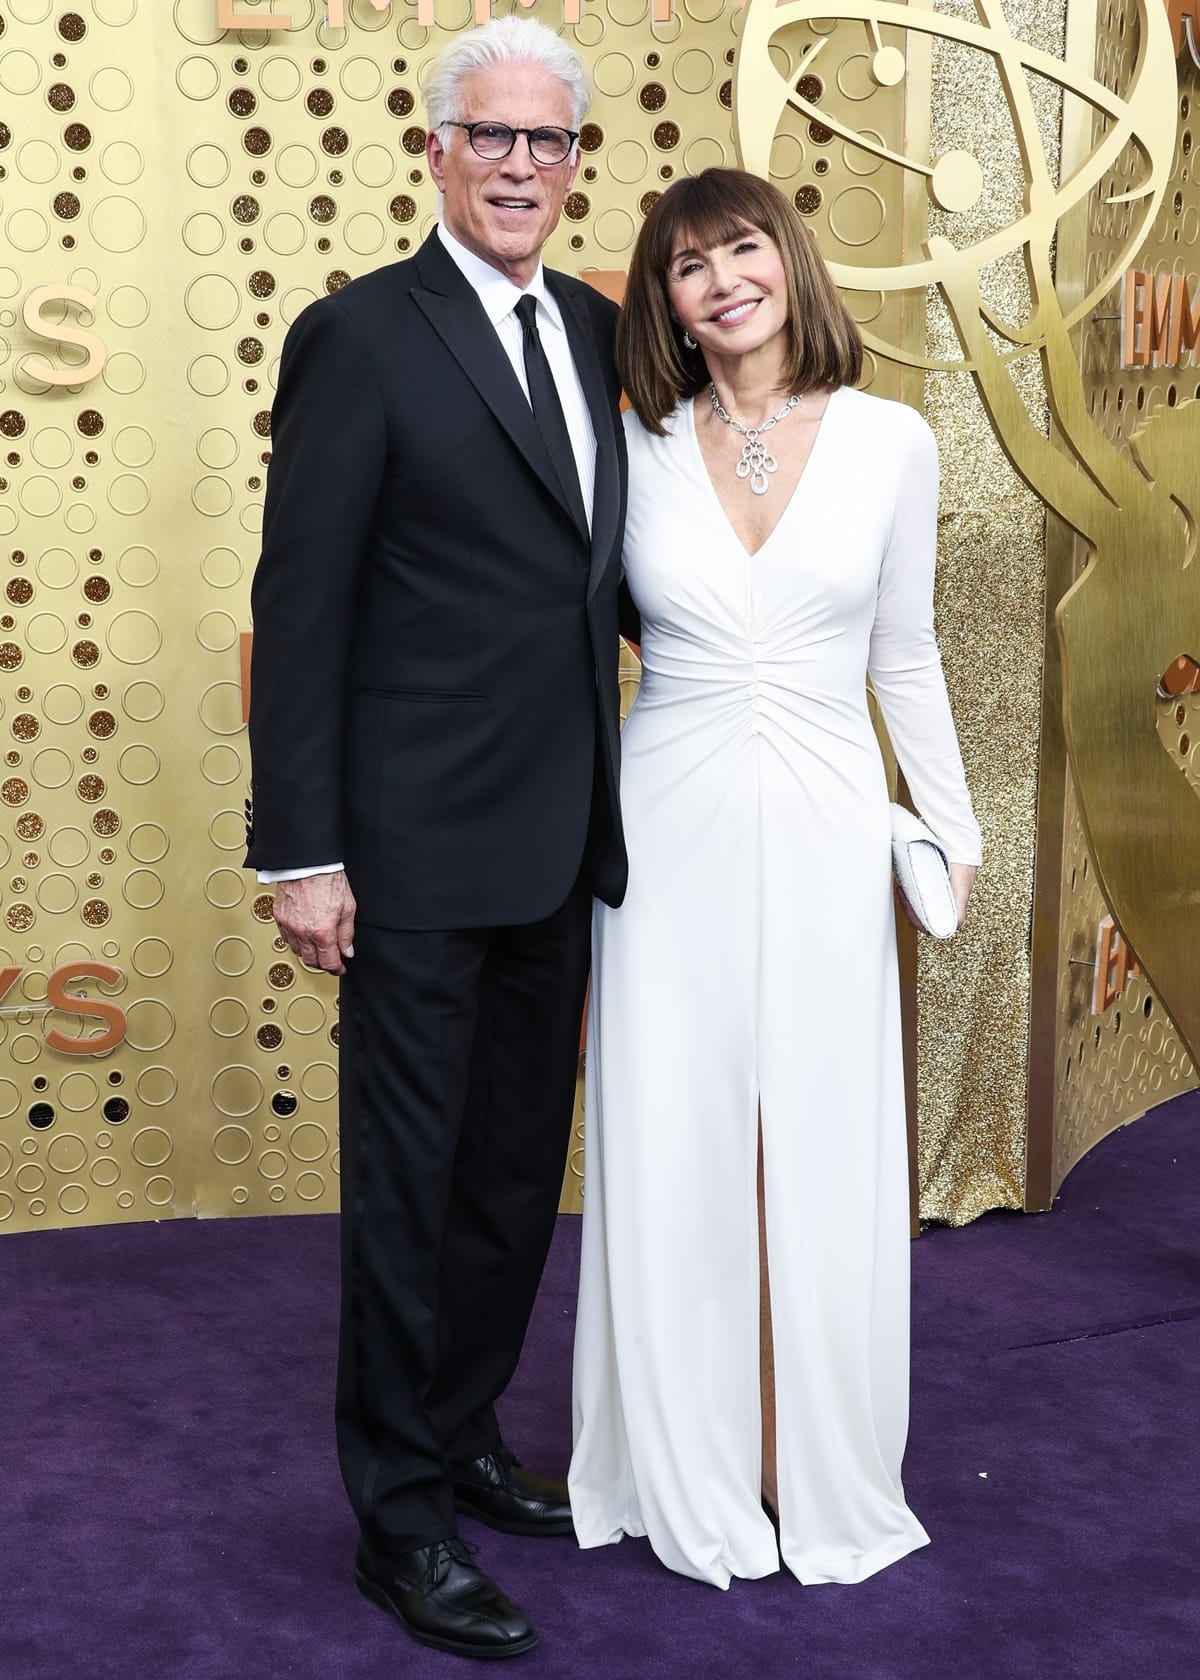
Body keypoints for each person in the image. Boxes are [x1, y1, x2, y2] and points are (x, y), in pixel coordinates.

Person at [245, 18, 628, 1661]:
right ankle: (398, 1520)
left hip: (564, 845)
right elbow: (302, 607)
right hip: (404, 856)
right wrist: (299, 850)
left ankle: (464, 1434)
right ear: (437, 153)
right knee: (406, 1194)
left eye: (551, 145)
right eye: (495, 139)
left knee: (505, 1185)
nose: (523, 169)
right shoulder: (362, 335)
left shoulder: (614, 335)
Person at [569, 168, 982, 1590]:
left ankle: (808, 1455)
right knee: (675, 1127)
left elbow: (906, 652)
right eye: (687, 268)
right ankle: (683, 1455)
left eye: (742, 248)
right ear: (666, 304)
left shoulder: (890, 442)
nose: (721, 280)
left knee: (810, 1129)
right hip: (665, 819)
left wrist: (952, 822)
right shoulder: (635, 448)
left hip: (821, 811)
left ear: (788, 262)